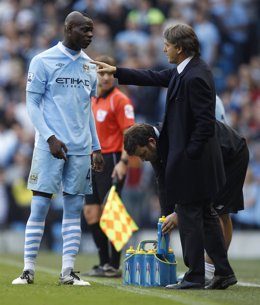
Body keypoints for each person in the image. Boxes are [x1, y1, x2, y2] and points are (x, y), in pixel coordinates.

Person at [91, 23, 236, 289]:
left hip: (195, 162)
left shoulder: (196, 76)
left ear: (179, 48)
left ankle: (194, 275)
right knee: (205, 216)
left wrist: (188, 155)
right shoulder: (186, 71)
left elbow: (204, 124)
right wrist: (118, 72)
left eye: (167, 45)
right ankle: (224, 272)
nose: (163, 49)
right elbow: (154, 76)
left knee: (191, 218)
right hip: (194, 159)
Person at [12, 11, 104, 286]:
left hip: (79, 149)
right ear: (68, 28)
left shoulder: (90, 67)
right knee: (39, 207)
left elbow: (87, 110)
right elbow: (32, 104)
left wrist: (96, 147)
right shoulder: (42, 61)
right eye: (85, 30)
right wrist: (50, 137)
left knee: (74, 210)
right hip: (48, 147)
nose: (90, 35)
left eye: (92, 31)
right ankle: (28, 270)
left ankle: (68, 272)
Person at [123, 121, 249, 282]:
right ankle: (215, 269)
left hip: (231, 155)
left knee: (217, 212)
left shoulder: (175, 139)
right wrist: (165, 218)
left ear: (151, 142)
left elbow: (193, 176)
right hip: (209, 161)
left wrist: (178, 212)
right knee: (214, 212)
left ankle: (211, 270)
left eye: (142, 154)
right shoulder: (156, 148)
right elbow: (163, 184)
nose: (143, 160)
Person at [81, 55, 135, 278]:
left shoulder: (120, 100)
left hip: (111, 159)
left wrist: (124, 162)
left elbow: (130, 135)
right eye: (100, 73)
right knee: (92, 213)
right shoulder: (90, 99)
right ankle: (103, 263)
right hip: (90, 160)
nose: (105, 77)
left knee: (110, 211)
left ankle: (114, 264)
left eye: (108, 73)